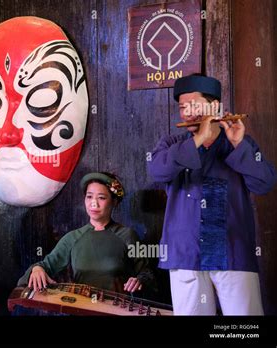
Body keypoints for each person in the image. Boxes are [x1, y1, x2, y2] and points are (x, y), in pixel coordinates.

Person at [148, 74, 276, 315]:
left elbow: (265, 183)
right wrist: (197, 140)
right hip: (187, 251)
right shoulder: (172, 143)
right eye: (182, 107)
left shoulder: (238, 142)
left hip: (231, 249)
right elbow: (157, 171)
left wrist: (239, 145)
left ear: (215, 106)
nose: (187, 113)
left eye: (194, 105)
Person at [18, 172, 154, 297]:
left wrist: (139, 280)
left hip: (118, 310)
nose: (93, 203)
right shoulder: (73, 238)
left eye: (101, 198)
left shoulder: (127, 235)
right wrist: (37, 269)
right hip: (81, 308)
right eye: (89, 197)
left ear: (114, 202)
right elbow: (46, 265)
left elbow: (147, 274)